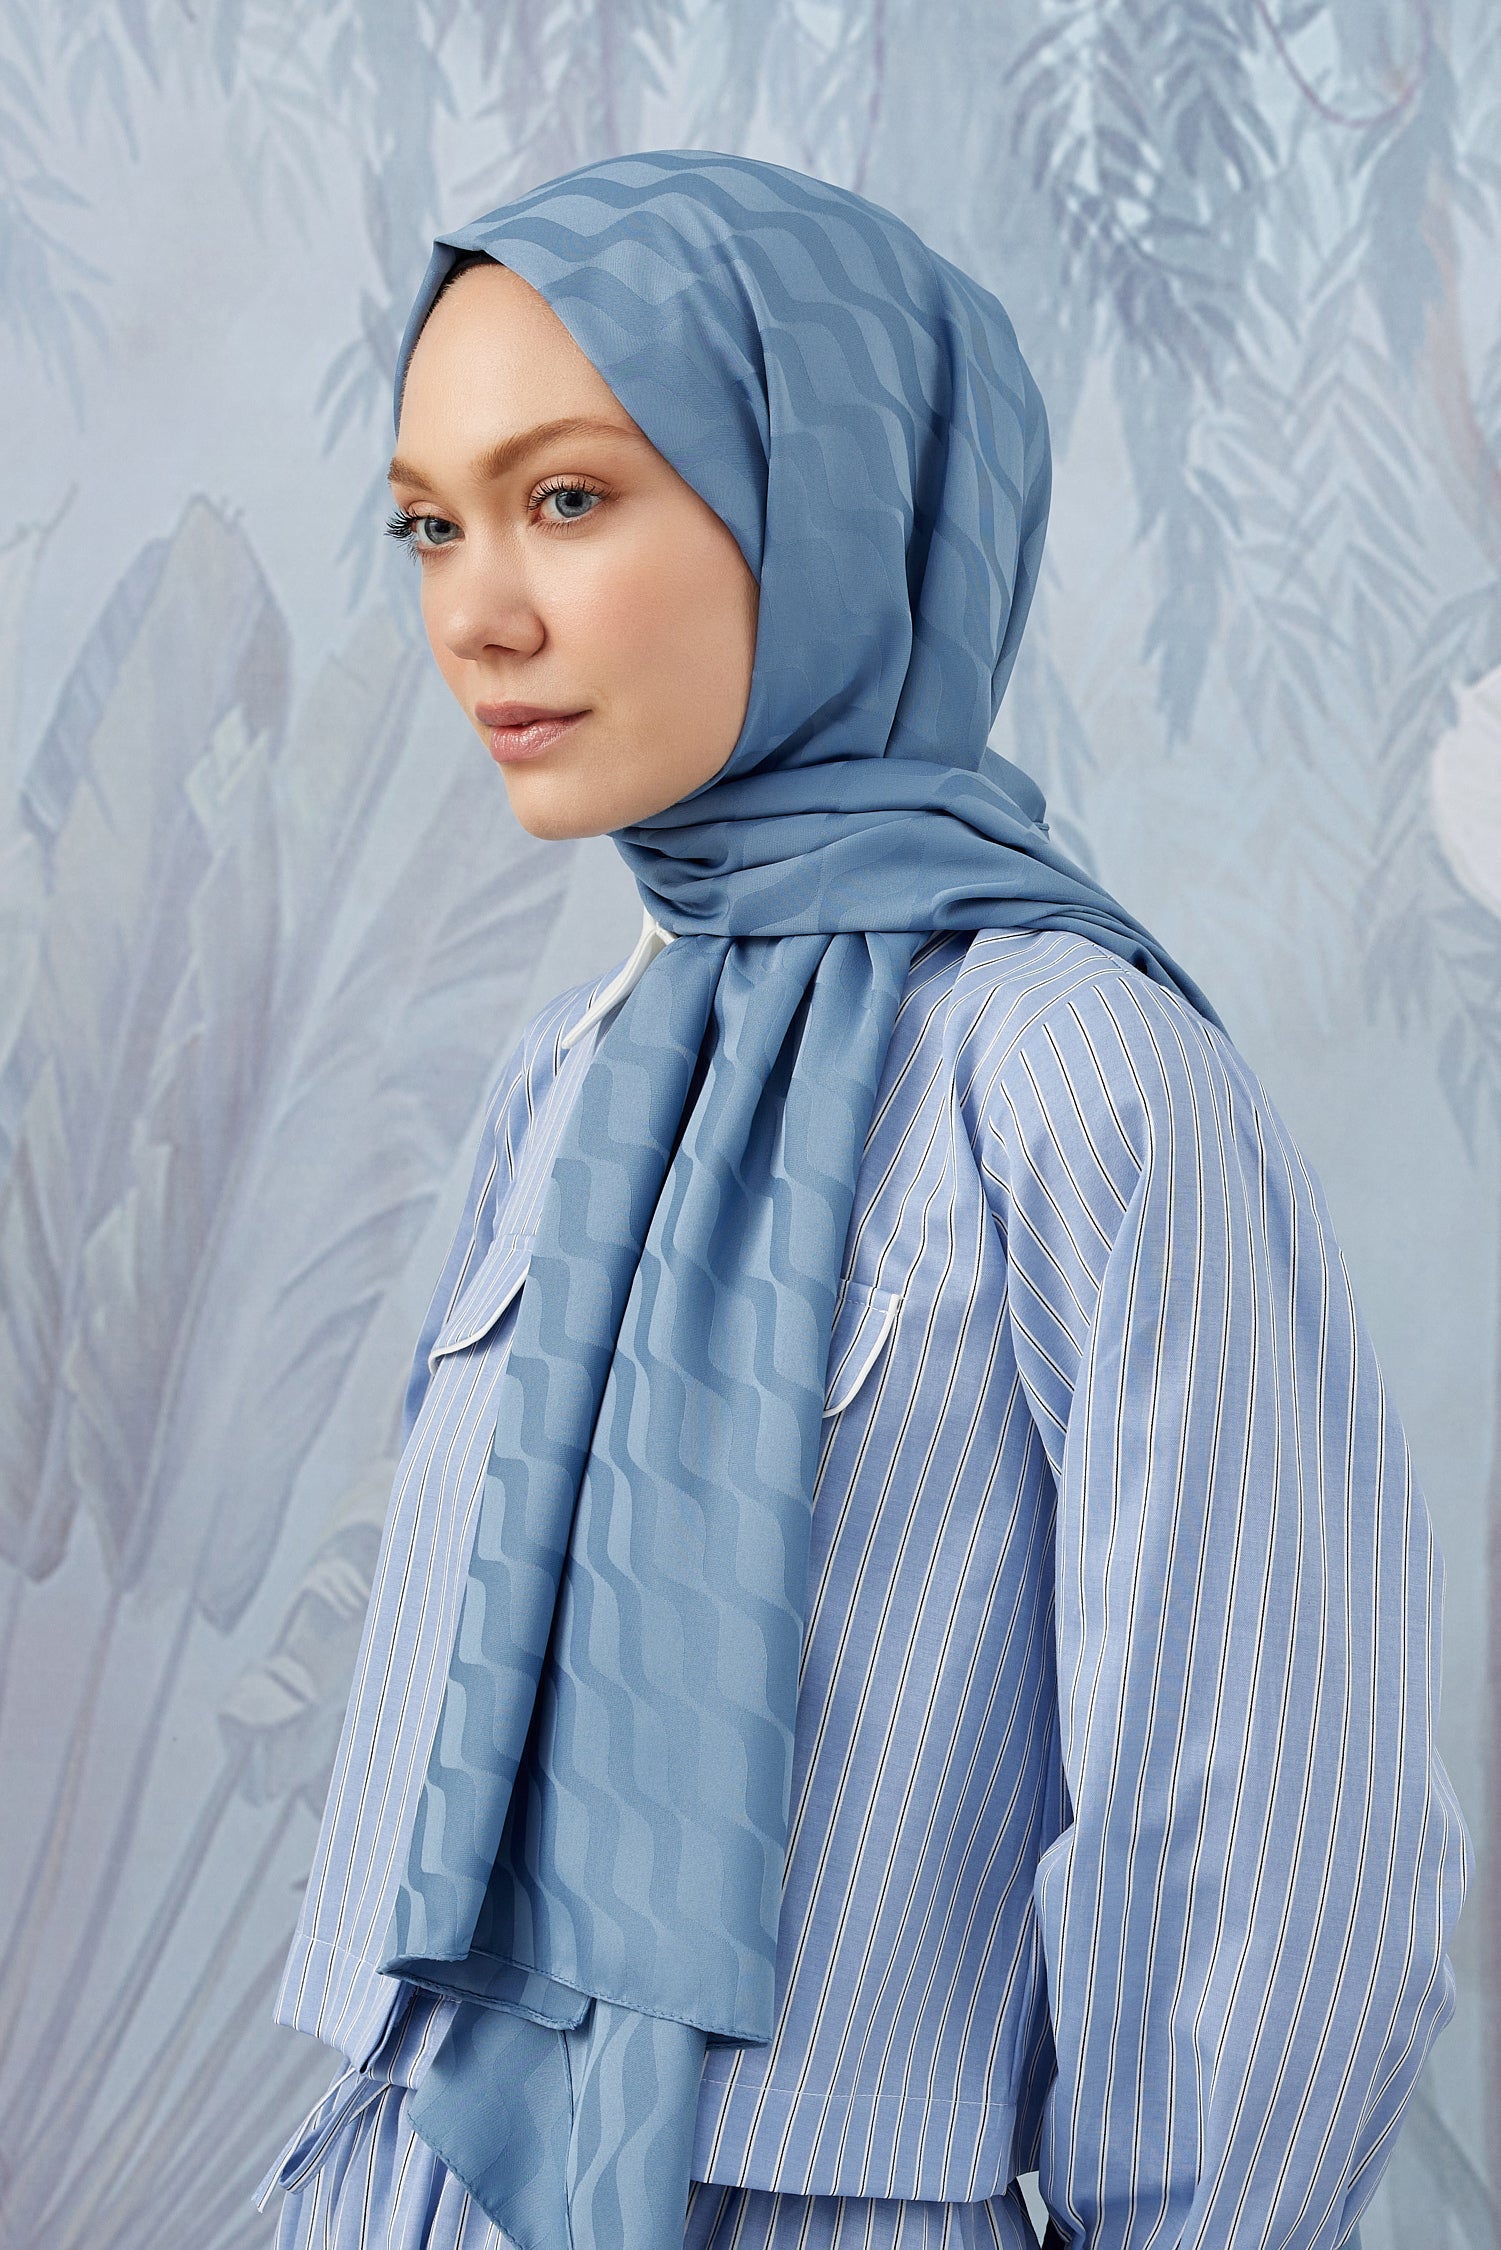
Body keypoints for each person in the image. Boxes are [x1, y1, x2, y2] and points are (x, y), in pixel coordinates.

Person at [254, 151, 1469, 2250]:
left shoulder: (1073, 1079)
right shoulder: (570, 1080)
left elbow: (1273, 1838)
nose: (476, 610)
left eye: (568, 497)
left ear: (827, 504)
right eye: (430, 524)